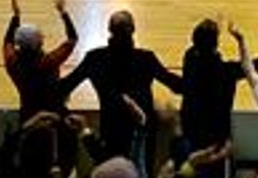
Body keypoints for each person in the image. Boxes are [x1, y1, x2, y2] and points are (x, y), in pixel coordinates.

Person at [57, 10, 185, 161]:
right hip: (142, 132)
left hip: (111, 129)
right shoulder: (145, 59)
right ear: (134, 29)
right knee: (143, 173)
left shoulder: (95, 58)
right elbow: (177, 86)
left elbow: (64, 87)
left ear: (109, 30)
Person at [181, 19, 258, 152]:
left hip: (191, 131)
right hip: (217, 136)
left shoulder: (190, 61)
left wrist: (210, 34)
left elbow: (199, 48)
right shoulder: (226, 71)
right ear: (216, 44)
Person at [3, 0, 79, 121]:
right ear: (37, 44)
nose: (43, 38)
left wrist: (16, 16)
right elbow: (72, 39)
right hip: (53, 112)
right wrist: (63, 13)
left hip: (27, 112)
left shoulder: (12, 61)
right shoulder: (47, 62)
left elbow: (7, 42)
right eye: (40, 37)